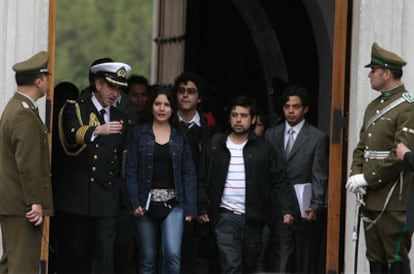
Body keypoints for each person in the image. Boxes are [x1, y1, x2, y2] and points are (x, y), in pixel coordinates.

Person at [198, 95, 295, 274]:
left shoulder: (264, 148)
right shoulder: (216, 145)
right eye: (234, 115)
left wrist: (287, 209)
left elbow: (279, 180)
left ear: (253, 119)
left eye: (243, 115)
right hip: (225, 216)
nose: (238, 119)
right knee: (231, 266)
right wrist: (203, 206)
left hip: (255, 218)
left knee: (251, 266)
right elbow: (202, 178)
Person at [55, 61, 131, 274]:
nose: (115, 93)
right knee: (76, 257)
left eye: (119, 89)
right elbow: (70, 136)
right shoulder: (75, 108)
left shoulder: (121, 118)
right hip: (77, 198)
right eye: (111, 87)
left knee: (104, 259)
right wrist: (97, 131)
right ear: (98, 84)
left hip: (106, 199)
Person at [346, 42, 414, 274]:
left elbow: (400, 156)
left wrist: (367, 178)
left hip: (394, 199)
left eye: (373, 71)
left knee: (395, 257)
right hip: (372, 198)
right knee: (374, 258)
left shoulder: (407, 107)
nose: (369, 75)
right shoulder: (373, 106)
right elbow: (361, 147)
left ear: (386, 73)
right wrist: (356, 174)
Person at [125, 86, 197, 274]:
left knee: (172, 254)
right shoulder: (138, 133)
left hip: (174, 203)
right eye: (158, 104)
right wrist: (134, 202)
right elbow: (130, 170)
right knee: (147, 259)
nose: (162, 108)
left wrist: (190, 206)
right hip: (144, 203)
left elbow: (189, 172)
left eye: (166, 104)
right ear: (151, 106)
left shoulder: (180, 135)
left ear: (173, 108)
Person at [265, 84, 329, 273]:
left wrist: (316, 205)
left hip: (303, 207)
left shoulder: (317, 137)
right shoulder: (271, 134)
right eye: (287, 106)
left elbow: (320, 174)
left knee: (304, 260)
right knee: (278, 256)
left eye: (296, 106)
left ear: (305, 109)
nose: (291, 111)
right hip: (276, 206)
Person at [0, 51, 54, 273]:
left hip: (14, 201)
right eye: (47, 77)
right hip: (22, 204)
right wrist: (35, 202)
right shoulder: (23, 114)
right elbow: (28, 164)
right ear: (38, 81)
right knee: (22, 266)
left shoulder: (17, 107)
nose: (49, 82)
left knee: (11, 263)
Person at [173, 72, 219, 274]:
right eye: (181, 91)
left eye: (191, 92)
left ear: (199, 98)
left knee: (194, 256)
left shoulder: (211, 129)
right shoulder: (165, 123)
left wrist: (204, 203)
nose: (185, 95)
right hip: (169, 198)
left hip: (200, 201)